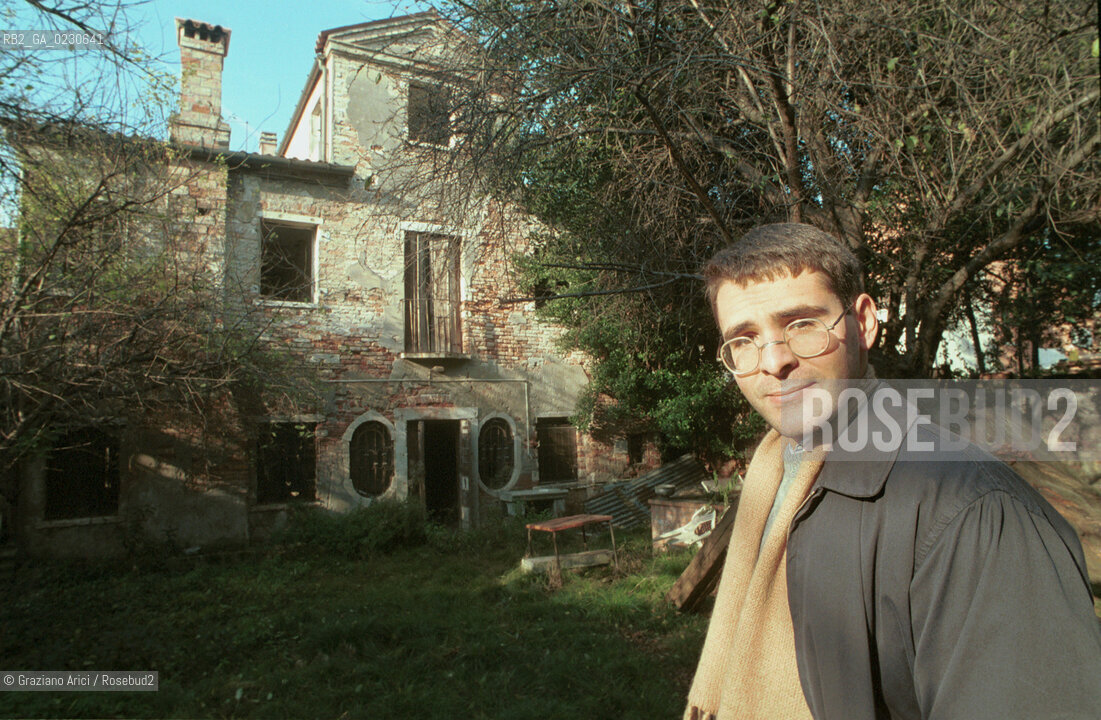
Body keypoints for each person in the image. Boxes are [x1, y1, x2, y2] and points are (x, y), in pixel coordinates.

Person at [683, 223, 1101, 720]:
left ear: (863, 322)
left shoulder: (977, 514)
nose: (773, 361)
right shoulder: (772, 473)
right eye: (743, 339)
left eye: (801, 324)